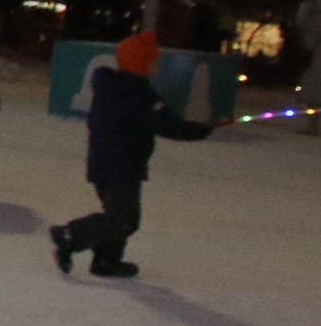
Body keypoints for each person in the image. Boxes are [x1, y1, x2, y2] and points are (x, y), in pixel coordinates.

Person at [49, 31, 216, 277]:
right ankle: (70, 235)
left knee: (119, 217)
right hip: (121, 166)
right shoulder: (139, 96)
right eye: (154, 62)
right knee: (123, 219)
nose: (157, 66)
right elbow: (167, 125)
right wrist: (202, 130)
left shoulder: (114, 89)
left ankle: (106, 262)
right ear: (142, 64)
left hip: (105, 163)